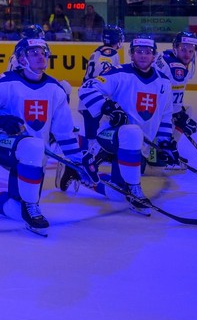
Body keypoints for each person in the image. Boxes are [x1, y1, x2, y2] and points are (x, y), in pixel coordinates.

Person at [0, 37, 83, 235]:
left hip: (36, 156)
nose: (40, 57)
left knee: (18, 209)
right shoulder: (6, 82)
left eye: (43, 53)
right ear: (22, 59)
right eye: (34, 53)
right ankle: (31, 206)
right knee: (32, 151)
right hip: (5, 144)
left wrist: (79, 161)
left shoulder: (55, 89)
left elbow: (64, 133)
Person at [72, 34, 176, 211]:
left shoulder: (164, 83)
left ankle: (81, 175)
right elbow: (86, 88)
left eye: (148, 52)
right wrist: (106, 107)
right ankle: (136, 191)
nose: (143, 55)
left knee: (118, 194)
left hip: (139, 146)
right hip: (109, 136)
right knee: (132, 132)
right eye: (138, 51)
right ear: (131, 54)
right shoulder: (118, 73)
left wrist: (165, 143)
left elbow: (165, 116)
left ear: (154, 55)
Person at [153, 31, 197, 169]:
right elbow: (171, 104)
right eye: (183, 49)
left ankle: (166, 148)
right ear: (175, 48)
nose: (187, 54)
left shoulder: (166, 55)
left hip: (152, 104)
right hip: (153, 110)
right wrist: (179, 115)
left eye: (190, 51)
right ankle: (162, 151)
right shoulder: (177, 69)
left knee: (187, 111)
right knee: (183, 116)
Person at [81, 25, 125, 147]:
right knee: (103, 129)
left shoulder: (97, 51)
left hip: (87, 96)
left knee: (91, 134)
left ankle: (90, 155)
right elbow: (107, 75)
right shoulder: (111, 53)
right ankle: (93, 156)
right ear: (117, 39)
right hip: (98, 97)